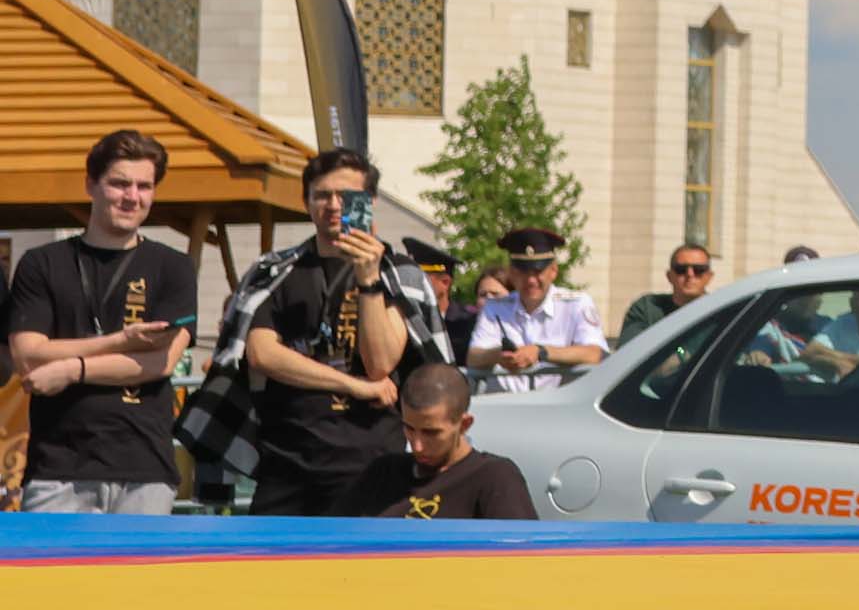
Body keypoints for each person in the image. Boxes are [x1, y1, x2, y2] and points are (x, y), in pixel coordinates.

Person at [179, 149, 446, 516]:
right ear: (307, 202)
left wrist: (368, 281)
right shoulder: (275, 271)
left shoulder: (398, 274)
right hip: (288, 462)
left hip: (373, 462)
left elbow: (380, 365)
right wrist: (353, 386)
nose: (334, 205)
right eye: (322, 195)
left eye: (346, 196)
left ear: (369, 202)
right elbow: (262, 354)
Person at [5, 130, 196, 514]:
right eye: (120, 183)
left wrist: (72, 369)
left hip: (145, 469)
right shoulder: (43, 263)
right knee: (53, 577)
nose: (132, 196)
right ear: (91, 184)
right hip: (58, 468)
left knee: (142, 578)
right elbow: (28, 356)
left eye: (144, 186)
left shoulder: (173, 266)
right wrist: (123, 341)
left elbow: (159, 363)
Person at [344, 365, 537, 520]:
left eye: (431, 433)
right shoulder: (383, 472)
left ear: (464, 424)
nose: (417, 445)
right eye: (410, 429)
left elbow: (521, 558)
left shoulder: (494, 478)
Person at [467, 228, 609, 391]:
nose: (531, 280)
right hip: (506, 406)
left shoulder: (577, 304)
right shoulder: (495, 307)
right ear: (512, 273)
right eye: (523, 272)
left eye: (538, 271)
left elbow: (594, 354)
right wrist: (499, 356)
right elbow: (474, 357)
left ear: (553, 271)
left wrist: (541, 352)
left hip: (556, 407)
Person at [618, 245, 716, 343]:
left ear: (709, 276)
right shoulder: (647, 308)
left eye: (698, 270)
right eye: (681, 269)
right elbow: (630, 349)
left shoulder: (720, 311)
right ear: (669, 276)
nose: (690, 274)